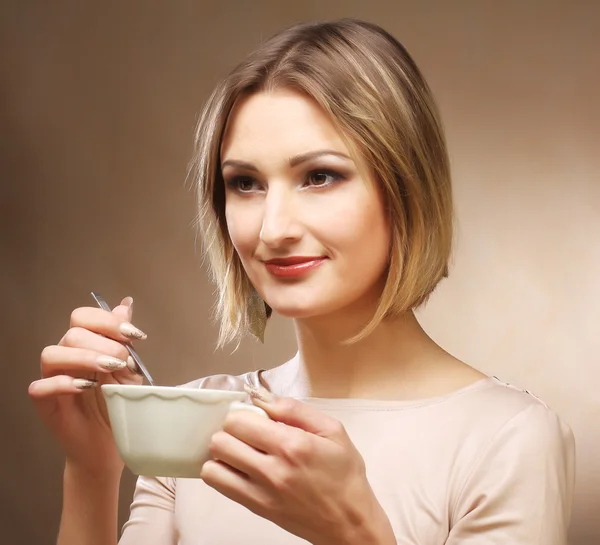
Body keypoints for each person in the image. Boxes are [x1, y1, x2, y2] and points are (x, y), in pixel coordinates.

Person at [29, 18, 575, 545]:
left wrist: (355, 536)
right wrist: (92, 469)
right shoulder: (195, 416)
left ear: (405, 189)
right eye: (244, 183)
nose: (273, 229)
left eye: (319, 176)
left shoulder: (508, 438)